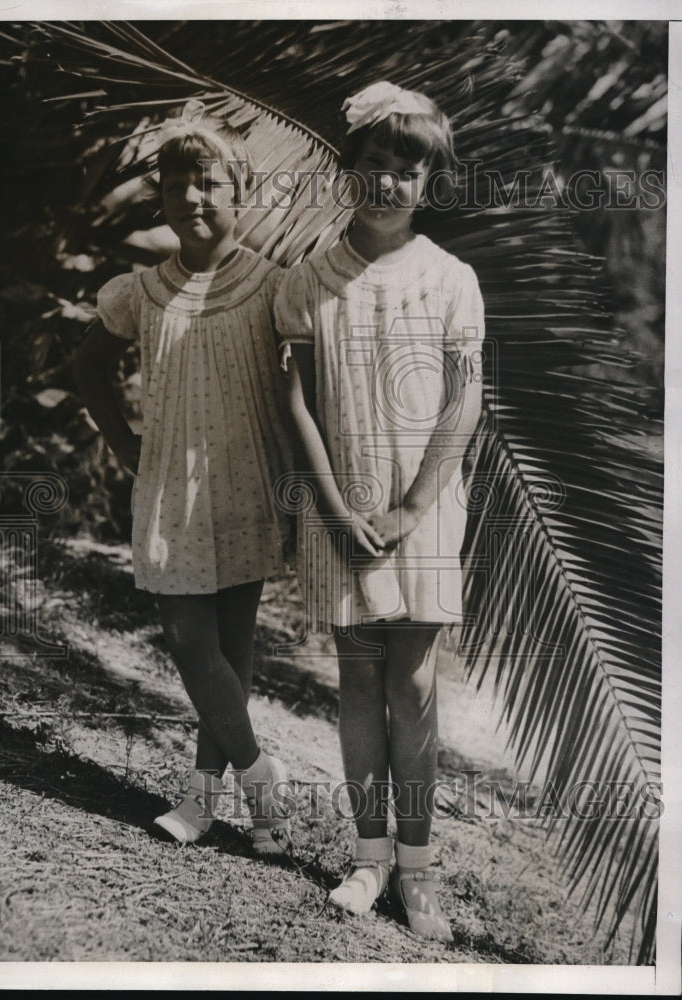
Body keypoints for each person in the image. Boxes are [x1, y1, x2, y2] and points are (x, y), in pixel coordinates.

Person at [274, 81, 485, 939]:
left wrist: (411, 507)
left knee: (414, 678)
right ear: (347, 171)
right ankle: (366, 859)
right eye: (373, 166)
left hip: (421, 513)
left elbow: (462, 404)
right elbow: (295, 405)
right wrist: (332, 508)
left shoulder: (451, 279)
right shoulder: (306, 281)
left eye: (408, 171)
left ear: (428, 181)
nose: (388, 184)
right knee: (357, 676)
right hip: (341, 513)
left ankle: (417, 873)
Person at [73, 104, 294, 856]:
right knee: (188, 643)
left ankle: (208, 807)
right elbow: (87, 368)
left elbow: (312, 388)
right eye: (176, 186)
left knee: (229, 654)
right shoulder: (139, 290)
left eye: (208, 184)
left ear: (240, 189)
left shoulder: (274, 287)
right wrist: (128, 447)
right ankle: (264, 783)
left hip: (247, 484)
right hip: (170, 489)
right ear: (158, 197)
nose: (193, 200)